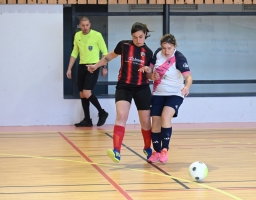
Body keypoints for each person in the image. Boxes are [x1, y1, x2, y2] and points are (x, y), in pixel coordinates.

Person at [86, 22, 153, 163]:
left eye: (141, 37)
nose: (138, 40)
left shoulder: (149, 53)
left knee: (145, 122)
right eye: (135, 37)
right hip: (124, 87)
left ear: (145, 35)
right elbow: (110, 56)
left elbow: (150, 74)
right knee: (121, 115)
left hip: (142, 88)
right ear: (131, 36)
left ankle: (147, 148)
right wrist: (96, 66)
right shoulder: (124, 45)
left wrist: (150, 72)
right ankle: (116, 151)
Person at [139, 34, 193, 163]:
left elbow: (189, 77)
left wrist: (186, 87)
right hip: (158, 93)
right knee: (155, 121)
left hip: (175, 93)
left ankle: (164, 150)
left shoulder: (179, 58)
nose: (166, 51)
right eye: (164, 48)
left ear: (174, 46)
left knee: (165, 116)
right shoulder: (158, 53)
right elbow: (150, 70)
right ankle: (156, 152)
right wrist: (149, 71)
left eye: (169, 48)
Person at [66, 16, 109, 127]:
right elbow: (75, 52)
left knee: (87, 92)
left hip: (93, 66)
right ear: (80, 25)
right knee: (82, 94)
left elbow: (105, 52)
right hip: (81, 66)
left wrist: (104, 66)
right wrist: (69, 68)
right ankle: (87, 120)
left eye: (87, 25)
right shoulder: (77, 35)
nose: (85, 27)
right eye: (83, 25)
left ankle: (102, 112)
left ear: (90, 24)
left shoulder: (97, 35)